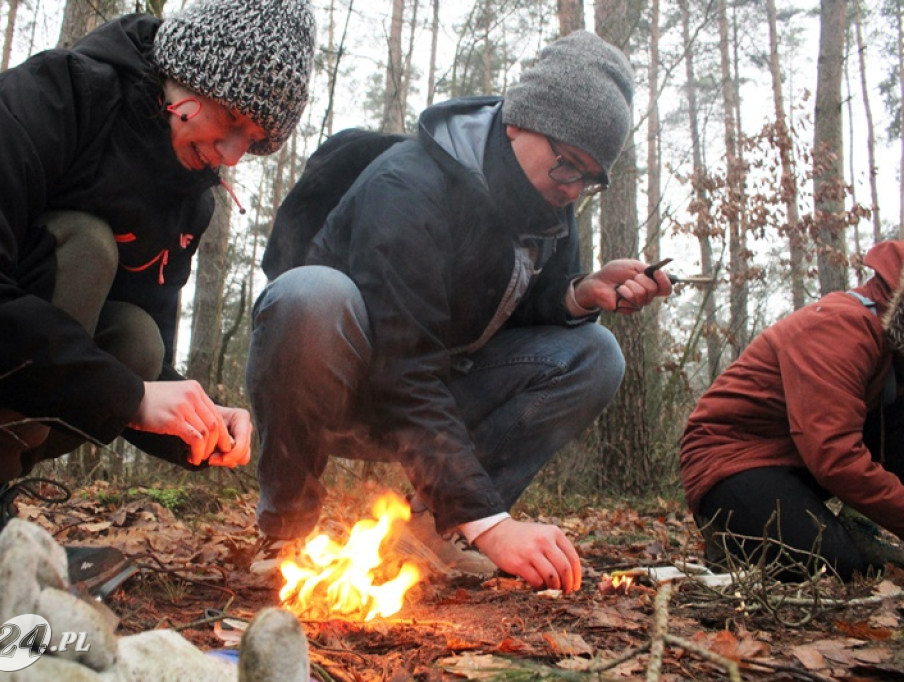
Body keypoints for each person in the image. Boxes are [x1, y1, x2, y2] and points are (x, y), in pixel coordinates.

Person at [0, 0, 315, 600]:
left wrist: (200, 422)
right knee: (83, 246)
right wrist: (129, 396)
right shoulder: (54, 97)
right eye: (233, 120)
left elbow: (136, 365)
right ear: (193, 70)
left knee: (135, 337)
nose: (233, 154)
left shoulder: (187, 199)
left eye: (256, 140)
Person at [245, 31, 671, 593]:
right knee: (310, 296)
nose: (572, 191)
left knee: (596, 354)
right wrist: (492, 522)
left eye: (589, 179)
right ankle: (288, 531)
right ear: (520, 121)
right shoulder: (411, 185)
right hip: (348, 388)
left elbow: (502, 319)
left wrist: (577, 294)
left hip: (440, 396)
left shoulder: (546, 207)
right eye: (568, 166)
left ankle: (426, 531)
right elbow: (403, 366)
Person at [680, 240, 904, 581]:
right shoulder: (843, 327)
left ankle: (845, 531)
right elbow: (835, 456)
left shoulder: (891, 352)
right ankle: (735, 542)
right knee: (836, 568)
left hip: (795, 461)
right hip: (732, 462)